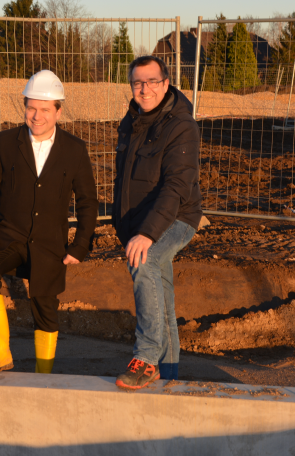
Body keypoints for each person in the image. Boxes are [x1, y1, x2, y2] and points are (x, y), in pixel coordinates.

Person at [0, 69, 98, 375]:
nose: (36, 116)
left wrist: (80, 244)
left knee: (44, 304)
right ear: (24, 107)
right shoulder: (4, 143)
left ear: (58, 111)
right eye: (31, 108)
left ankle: (44, 372)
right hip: (8, 235)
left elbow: (87, 202)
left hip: (49, 241)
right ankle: (0, 354)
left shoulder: (74, 150)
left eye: (44, 109)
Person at [112, 55, 202, 390]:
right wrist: (127, 227)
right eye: (138, 82)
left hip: (177, 218)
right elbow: (125, 180)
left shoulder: (181, 126)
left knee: (145, 259)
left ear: (165, 83)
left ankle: (147, 359)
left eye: (151, 81)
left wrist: (147, 235)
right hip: (141, 223)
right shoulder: (132, 121)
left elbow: (176, 187)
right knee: (162, 294)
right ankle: (170, 373)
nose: (144, 88)